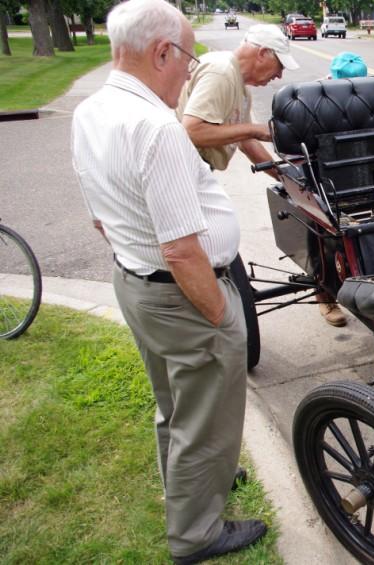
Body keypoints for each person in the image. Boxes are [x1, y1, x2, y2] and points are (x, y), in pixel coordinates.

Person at [70, 0, 266, 562]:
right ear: (161, 52)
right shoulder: (155, 127)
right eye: (187, 55)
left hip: (136, 282)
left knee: (175, 404)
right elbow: (182, 251)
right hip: (181, 293)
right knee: (206, 415)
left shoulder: (93, 110)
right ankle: (197, 533)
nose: (191, 68)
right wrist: (221, 315)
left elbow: (101, 218)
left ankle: (193, 485)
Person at [176, 24, 299, 180]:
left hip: (194, 169)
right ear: (262, 53)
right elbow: (191, 131)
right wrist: (256, 129)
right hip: (180, 169)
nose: (279, 75)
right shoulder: (222, 72)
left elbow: (247, 142)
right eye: (280, 66)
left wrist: (285, 179)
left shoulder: (242, 89)